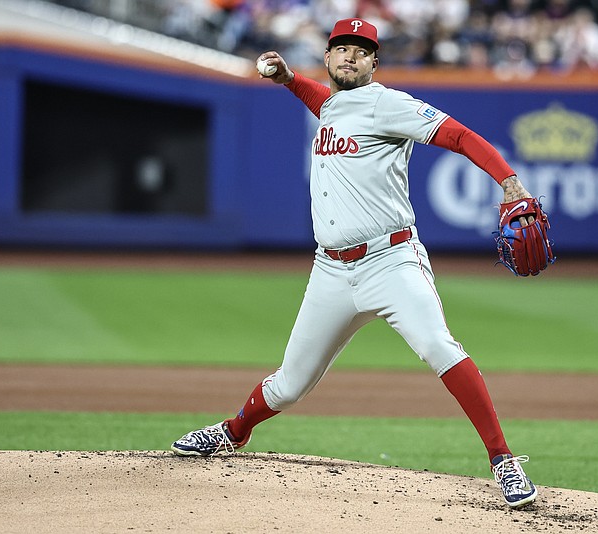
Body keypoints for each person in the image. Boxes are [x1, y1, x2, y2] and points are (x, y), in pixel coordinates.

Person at [171, 17, 541, 509]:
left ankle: (504, 461)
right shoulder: (332, 104)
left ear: (373, 62)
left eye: (360, 50)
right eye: (340, 48)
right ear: (327, 58)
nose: (349, 55)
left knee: (439, 345)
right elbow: (324, 103)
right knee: (289, 383)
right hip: (330, 271)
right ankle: (233, 432)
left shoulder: (388, 103)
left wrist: (509, 181)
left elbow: (461, 137)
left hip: (391, 262)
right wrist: (288, 80)